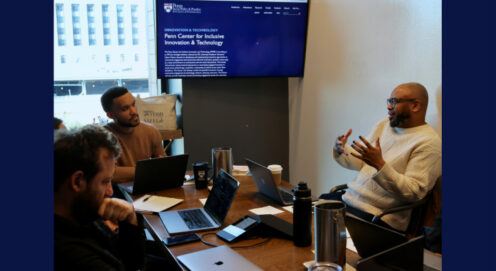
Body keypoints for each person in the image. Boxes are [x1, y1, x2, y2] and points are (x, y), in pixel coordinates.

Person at [323, 82, 442, 232]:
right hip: (348, 201)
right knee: (301, 210)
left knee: (325, 239)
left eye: (395, 101)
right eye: (389, 101)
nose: (389, 106)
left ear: (416, 106)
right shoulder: (385, 124)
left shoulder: (428, 143)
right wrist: (341, 150)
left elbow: (413, 193)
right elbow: (361, 162)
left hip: (377, 217)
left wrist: (379, 164)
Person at [54, 125, 145, 270]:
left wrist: (130, 220)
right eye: (104, 182)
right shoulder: (71, 254)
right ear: (77, 181)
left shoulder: (82, 214)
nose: (109, 192)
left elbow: (131, 262)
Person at [100, 87, 165, 182]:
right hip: (116, 192)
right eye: (125, 109)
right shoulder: (103, 137)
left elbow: (162, 165)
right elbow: (110, 172)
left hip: (145, 187)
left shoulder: (151, 131)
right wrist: (148, 170)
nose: (134, 112)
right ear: (111, 115)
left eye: (133, 104)